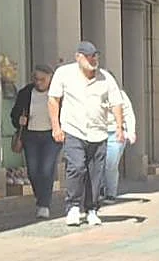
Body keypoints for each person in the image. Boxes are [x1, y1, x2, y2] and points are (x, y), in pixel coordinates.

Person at [47, 41, 124, 227]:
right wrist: (56, 127)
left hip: (99, 132)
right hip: (74, 130)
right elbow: (53, 99)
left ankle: (92, 208)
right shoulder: (64, 74)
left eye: (95, 56)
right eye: (89, 56)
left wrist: (120, 128)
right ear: (78, 57)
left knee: (96, 173)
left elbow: (116, 103)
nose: (93, 60)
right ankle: (73, 206)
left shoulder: (106, 78)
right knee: (77, 167)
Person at [9, 65, 58, 219]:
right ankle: (40, 197)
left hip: (51, 136)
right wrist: (19, 120)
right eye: (36, 79)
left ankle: (44, 204)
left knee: (46, 169)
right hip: (30, 136)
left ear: (50, 78)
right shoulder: (26, 93)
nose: (39, 83)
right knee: (33, 171)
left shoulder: (57, 93)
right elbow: (14, 113)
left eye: (42, 79)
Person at [102, 87, 136, 202]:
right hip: (97, 132)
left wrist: (131, 131)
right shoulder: (92, 93)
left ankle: (110, 193)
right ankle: (100, 189)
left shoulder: (120, 95)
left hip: (116, 133)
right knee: (97, 164)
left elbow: (128, 113)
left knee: (110, 164)